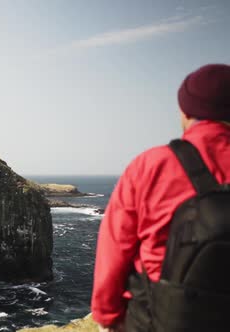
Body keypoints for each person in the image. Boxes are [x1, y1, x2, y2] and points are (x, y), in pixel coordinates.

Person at [91, 64, 230, 332]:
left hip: (158, 319)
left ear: (186, 112)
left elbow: (115, 249)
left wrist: (107, 317)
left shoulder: (151, 165)